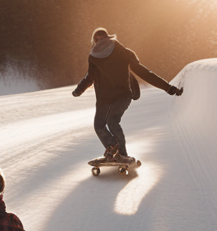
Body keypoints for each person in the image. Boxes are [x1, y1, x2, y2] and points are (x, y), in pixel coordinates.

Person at [72, 27, 183, 163]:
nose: (100, 42)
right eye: (98, 40)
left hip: (118, 96)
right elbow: (91, 77)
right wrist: (80, 89)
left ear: (107, 39)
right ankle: (114, 150)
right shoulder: (103, 55)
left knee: (109, 122)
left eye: (101, 39)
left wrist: (168, 88)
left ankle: (119, 152)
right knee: (102, 124)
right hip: (110, 97)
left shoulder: (115, 54)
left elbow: (143, 72)